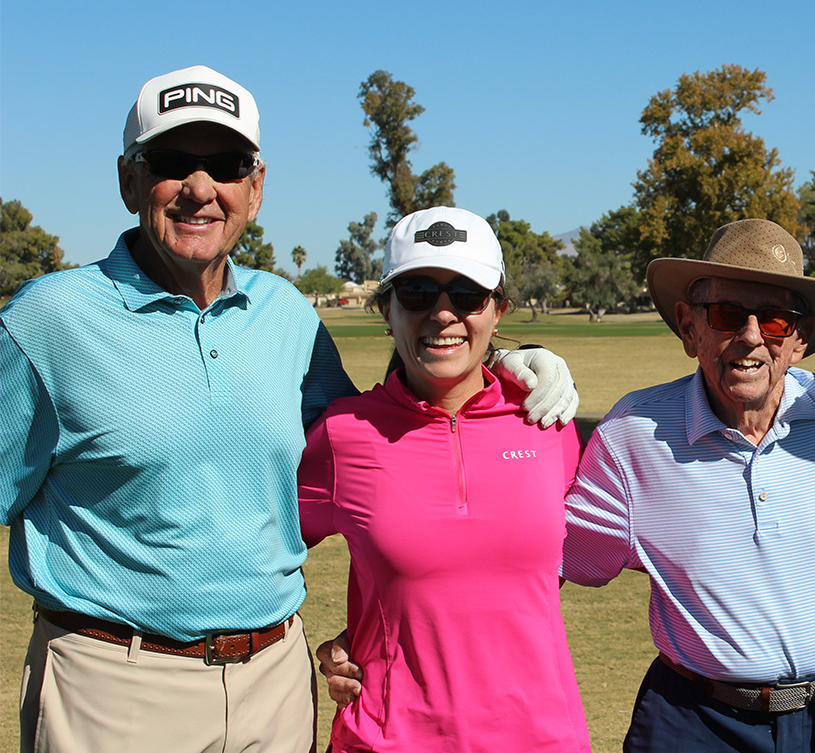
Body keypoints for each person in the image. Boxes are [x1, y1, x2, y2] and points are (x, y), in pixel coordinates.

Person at [0, 65, 575, 753]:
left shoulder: (287, 316)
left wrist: (506, 362)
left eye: (227, 164)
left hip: (274, 682)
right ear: (129, 180)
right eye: (172, 162)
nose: (201, 188)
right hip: (114, 681)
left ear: (257, 186)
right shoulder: (48, 320)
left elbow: (388, 433)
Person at [563, 220, 815, 752]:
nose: (751, 335)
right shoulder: (632, 434)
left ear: (802, 338)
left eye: (778, 319)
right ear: (689, 327)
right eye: (728, 314)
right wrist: (510, 371)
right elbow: (551, 555)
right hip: (698, 724)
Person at [297, 206, 590, 752]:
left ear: (497, 311)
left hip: (541, 737)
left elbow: (554, 567)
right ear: (386, 309)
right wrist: (331, 649)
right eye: (418, 294)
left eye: (467, 296)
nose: (443, 313)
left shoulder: (548, 421)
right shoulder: (343, 432)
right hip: (388, 740)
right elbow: (258, 555)